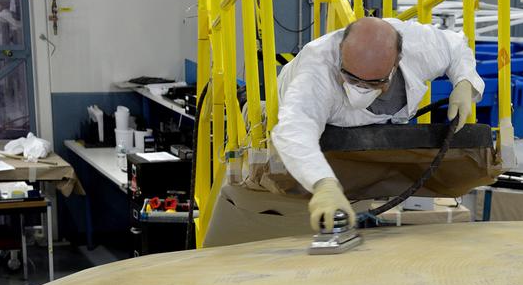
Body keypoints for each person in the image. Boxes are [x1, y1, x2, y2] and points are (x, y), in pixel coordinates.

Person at [203, 16, 484, 246]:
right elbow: (294, 131)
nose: (358, 88)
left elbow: (456, 45)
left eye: (373, 83)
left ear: (397, 61)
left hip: (375, 118)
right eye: (350, 77)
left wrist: (465, 82)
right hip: (300, 108)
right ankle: (245, 100)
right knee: (272, 117)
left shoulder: (417, 46)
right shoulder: (316, 69)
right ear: (340, 54)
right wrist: (323, 184)